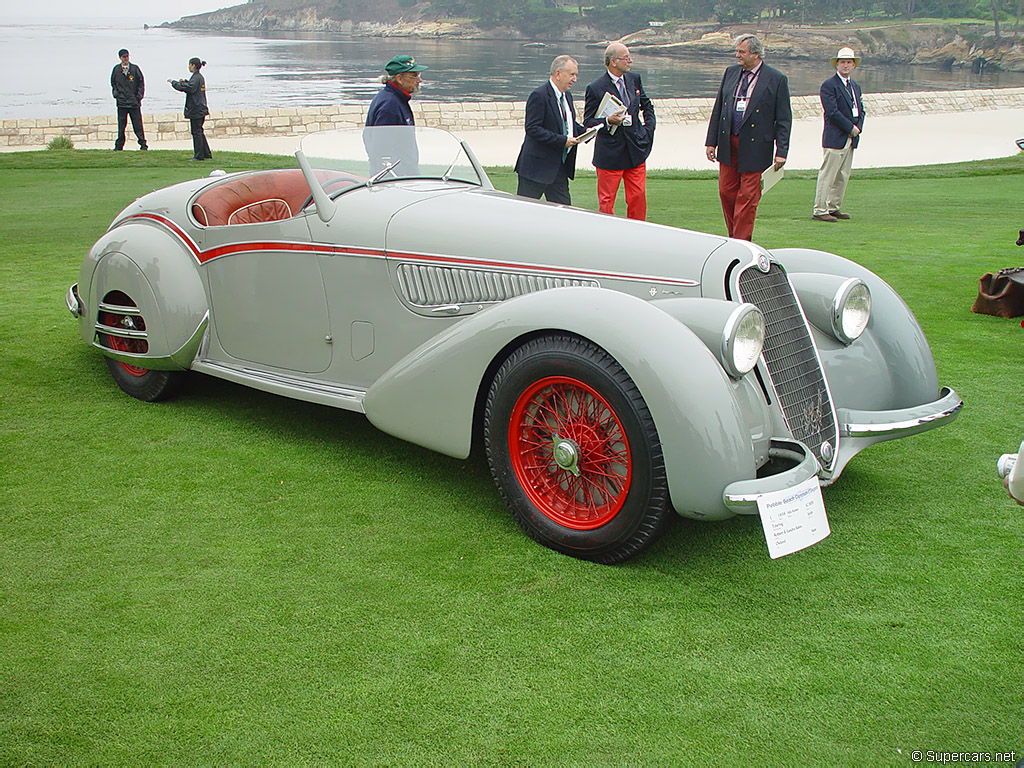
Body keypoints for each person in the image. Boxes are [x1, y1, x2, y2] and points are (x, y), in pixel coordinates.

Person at [705, 34, 791, 241]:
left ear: (755, 54)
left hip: (756, 147)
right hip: (728, 142)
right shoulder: (731, 73)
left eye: (742, 52)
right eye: (737, 51)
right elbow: (719, 108)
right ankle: (733, 236)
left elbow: (784, 119)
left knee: (748, 197)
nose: (737, 56)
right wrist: (711, 141)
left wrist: (782, 152)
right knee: (726, 192)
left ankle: (741, 242)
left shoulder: (776, 79)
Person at [583, 42, 656, 220]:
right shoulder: (596, 87)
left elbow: (646, 105)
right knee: (607, 200)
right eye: (626, 58)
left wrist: (648, 130)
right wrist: (608, 121)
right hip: (610, 152)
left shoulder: (634, 79)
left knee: (638, 196)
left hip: (635, 149)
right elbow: (588, 121)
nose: (630, 61)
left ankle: (637, 232)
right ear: (613, 62)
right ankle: (608, 236)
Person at [515, 55, 585, 205]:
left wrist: (589, 131)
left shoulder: (567, 96)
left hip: (558, 168)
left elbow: (568, 124)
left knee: (564, 211)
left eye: (576, 75)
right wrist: (562, 141)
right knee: (525, 211)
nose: (575, 79)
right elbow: (532, 128)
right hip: (536, 168)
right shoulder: (539, 95)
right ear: (558, 74)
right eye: (572, 74)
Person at [812, 47, 866, 222]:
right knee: (828, 175)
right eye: (842, 62)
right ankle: (820, 210)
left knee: (842, 175)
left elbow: (861, 110)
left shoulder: (855, 86)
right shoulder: (829, 85)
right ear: (837, 64)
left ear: (853, 65)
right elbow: (832, 112)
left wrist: (857, 128)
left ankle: (834, 207)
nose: (845, 65)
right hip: (836, 137)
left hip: (851, 138)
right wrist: (850, 128)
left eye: (849, 62)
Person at [365, 55, 427, 127]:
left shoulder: (394, 98)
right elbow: (382, 136)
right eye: (414, 76)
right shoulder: (389, 105)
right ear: (399, 79)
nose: (419, 80)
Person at [169, 58, 211, 161]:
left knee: (196, 132)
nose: (188, 67)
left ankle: (199, 155)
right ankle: (206, 153)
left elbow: (189, 88)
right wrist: (185, 82)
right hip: (200, 108)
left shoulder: (197, 77)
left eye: (189, 65)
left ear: (193, 65)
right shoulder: (198, 77)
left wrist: (174, 83)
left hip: (196, 109)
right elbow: (191, 85)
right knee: (199, 131)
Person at [110, 48, 147, 151]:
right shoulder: (116, 70)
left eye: (127, 56)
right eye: (124, 57)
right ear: (120, 58)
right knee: (121, 126)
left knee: (138, 125)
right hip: (121, 102)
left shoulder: (135, 69)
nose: (126, 58)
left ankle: (143, 145)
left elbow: (141, 83)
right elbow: (113, 83)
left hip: (134, 102)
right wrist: (116, 94)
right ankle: (119, 146)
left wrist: (139, 96)